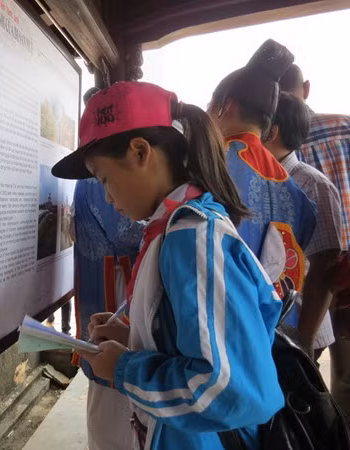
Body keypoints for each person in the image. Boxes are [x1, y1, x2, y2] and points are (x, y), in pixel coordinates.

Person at [52, 81, 283, 450]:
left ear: (140, 152)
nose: (107, 197)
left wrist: (126, 370)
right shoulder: (172, 229)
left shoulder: (193, 238)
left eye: (105, 179)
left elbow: (233, 389)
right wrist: (135, 337)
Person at [208, 40, 317, 300]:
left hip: (222, 311)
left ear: (226, 107)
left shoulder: (209, 165)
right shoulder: (295, 191)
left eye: (209, 106)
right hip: (275, 317)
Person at [69, 87, 144, 450]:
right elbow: (127, 231)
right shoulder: (100, 174)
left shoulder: (96, 171)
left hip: (109, 286)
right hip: (115, 285)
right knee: (113, 402)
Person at [280, 63, 350, 421]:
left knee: (303, 373)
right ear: (305, 88)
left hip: (307, 280)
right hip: (341, 272)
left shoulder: (274, 147)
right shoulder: (344, 126)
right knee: (344, 377)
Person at [264, 92, 343, 357]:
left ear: (271, 133)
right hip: (270, 325)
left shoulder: (312, 185)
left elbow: (324, 267)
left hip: (300, 326)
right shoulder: (256, 178)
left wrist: (304, 340)